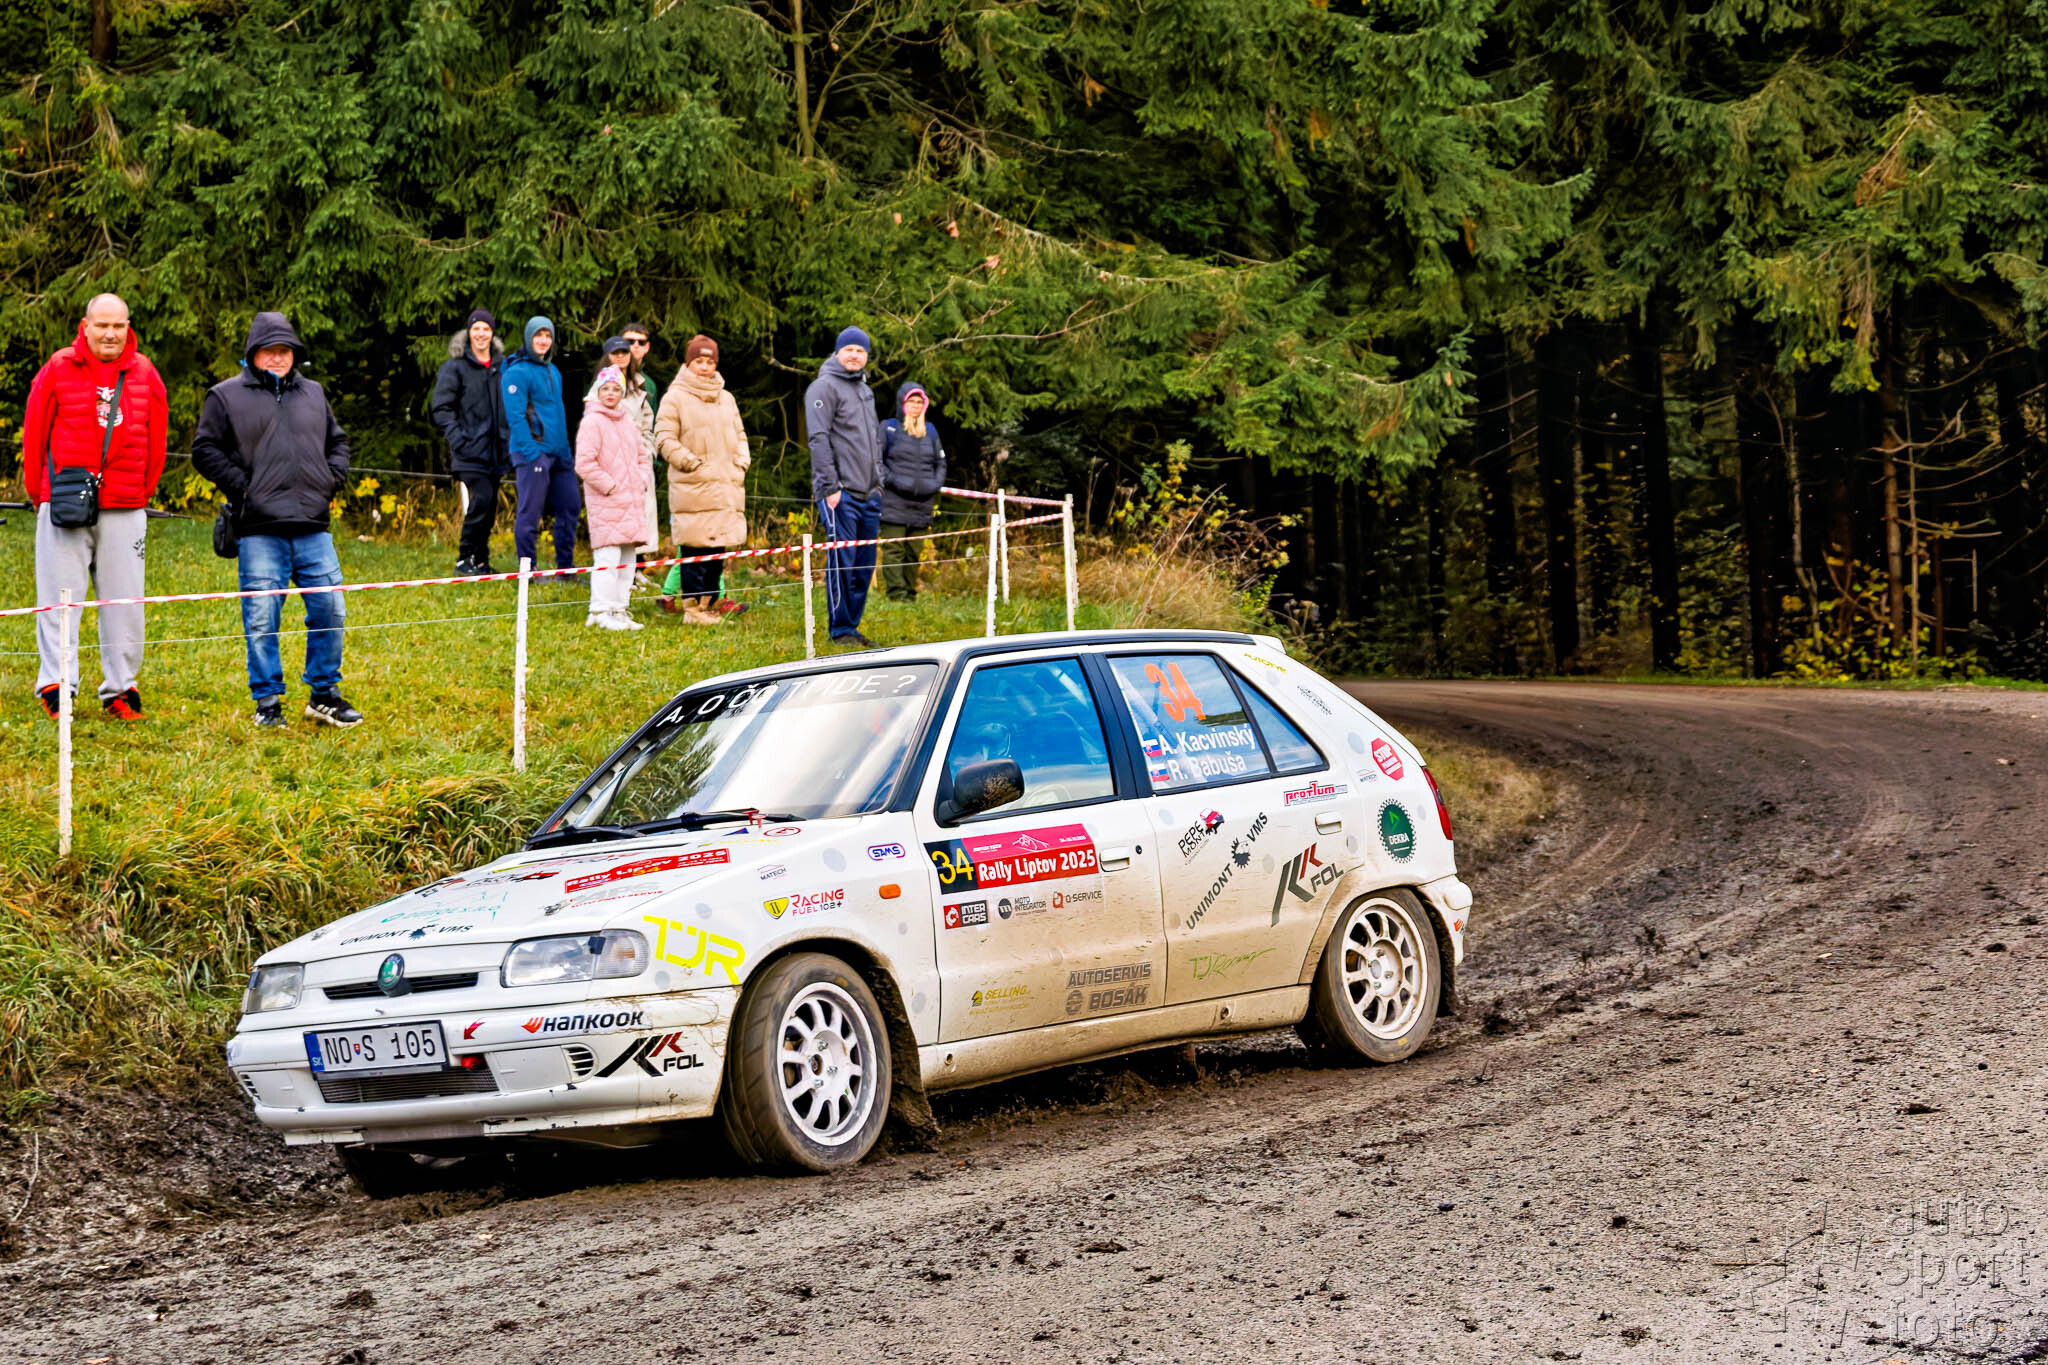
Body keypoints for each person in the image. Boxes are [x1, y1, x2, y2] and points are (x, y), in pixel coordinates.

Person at [190, 312, 361, 728]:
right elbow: (205, 450)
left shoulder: (313, 393)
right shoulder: (225, 396)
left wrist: (330, 479)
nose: (278, 358)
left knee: (330, 609)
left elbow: (337, 442)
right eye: (269, 351)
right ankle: (267, 703)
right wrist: (244, 488)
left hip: (312, 526)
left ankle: (324, 695)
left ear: (294, 354)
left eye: (285, 350)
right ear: (253, 354)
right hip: (259, 530)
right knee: (263, 617)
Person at [21, 292, 169, 720]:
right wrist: (40, 494)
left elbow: (157, 439)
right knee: (59, 599)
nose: (110, 333)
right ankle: (57, 685)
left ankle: (121, 689)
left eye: (118, 325)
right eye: (102, 325)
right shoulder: (58, 367)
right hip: (64, 502)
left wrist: (140, 492)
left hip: (126, 504)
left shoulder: (145, 372)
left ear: (128, 328)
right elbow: (35, 433)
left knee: (125, 603)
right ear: (85, 327)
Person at [654, 334, 750, 625]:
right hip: (693, 487)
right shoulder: (675, 397)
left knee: (716, 550)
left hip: (724, 486)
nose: (705, 367)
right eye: (699, 361)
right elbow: (664, 439)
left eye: (710, 361)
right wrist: (690, 463)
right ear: (688, 363)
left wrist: (741, 462)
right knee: (694, 550)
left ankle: (710, 605)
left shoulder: (726, 398)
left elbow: (740, 435)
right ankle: (693, 610)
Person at [804, 325, 883, 647]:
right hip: (841, 493)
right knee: (843, 563)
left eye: (860, 351)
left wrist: (879, 481)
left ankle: (852, 625)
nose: (854, 355)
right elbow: (818, 439)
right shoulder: (823, 388)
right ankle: (840, 630)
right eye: (849, 349)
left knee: (863, 566)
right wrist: (831, 487)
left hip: (870, 493)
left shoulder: (864, 390)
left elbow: (873, 439)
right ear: (838, 352)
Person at [430, 308, 509, 574]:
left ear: (492, 333)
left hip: (497, 451)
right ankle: (464, 558)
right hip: (469, 451)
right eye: (476, 328)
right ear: (469, 332)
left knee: (490, 506)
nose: (481, 334)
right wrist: (458, 438)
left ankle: (482, 560)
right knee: (481, 500)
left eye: (486, 329)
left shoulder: (502, 367)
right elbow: (441, 408)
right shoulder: (455, 367)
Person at [572, 366, 651, 631]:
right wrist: (610, 486)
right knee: (607, 558)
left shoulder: (628, 421)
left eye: (616, 389)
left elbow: (642, 456)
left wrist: (640, 480)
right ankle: (599, 610)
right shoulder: (592, 421)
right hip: (606, 502)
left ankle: (619, 609)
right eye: (605, 388)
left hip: (631, 502)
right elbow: (584, 463)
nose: (610, 393)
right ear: (597, 390)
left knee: (628, 560)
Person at [503, 315, 580, 575]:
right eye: (538, 335)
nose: (543, 340)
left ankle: (565, 569)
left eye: (548, 336)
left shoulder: (553, 370)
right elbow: (515, 417)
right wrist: (532, 453)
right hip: (532, 453)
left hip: (560, 454)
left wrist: (565, 451)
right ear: (529, 338)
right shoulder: (516, 373)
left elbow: (557, 413)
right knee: (530, 513)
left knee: (570, 507)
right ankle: (529, 571)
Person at [586, 335, 658, 574]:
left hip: (637, 463)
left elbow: (648, 424)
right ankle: (610, 582)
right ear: (607, 356)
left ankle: (635, 573)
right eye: (615, 353)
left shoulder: (640, 385)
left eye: (624, 352)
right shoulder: (600, 388)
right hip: (611, 466)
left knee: (639, 519)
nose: (620, 357)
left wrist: (646, 453)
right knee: (613, 525)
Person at [877, 381, 946, 603]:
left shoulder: (931, 431)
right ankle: (897, 595)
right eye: (911, 401)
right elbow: (876, 463)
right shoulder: (888, 428)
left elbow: (941, 463)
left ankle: (909, 594)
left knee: (914, 551)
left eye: (919, 402)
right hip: (893, 502)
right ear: (902, 403)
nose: (915, 406)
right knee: (894, 550)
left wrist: (934, 484)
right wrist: (895, 481)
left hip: (922, 504)